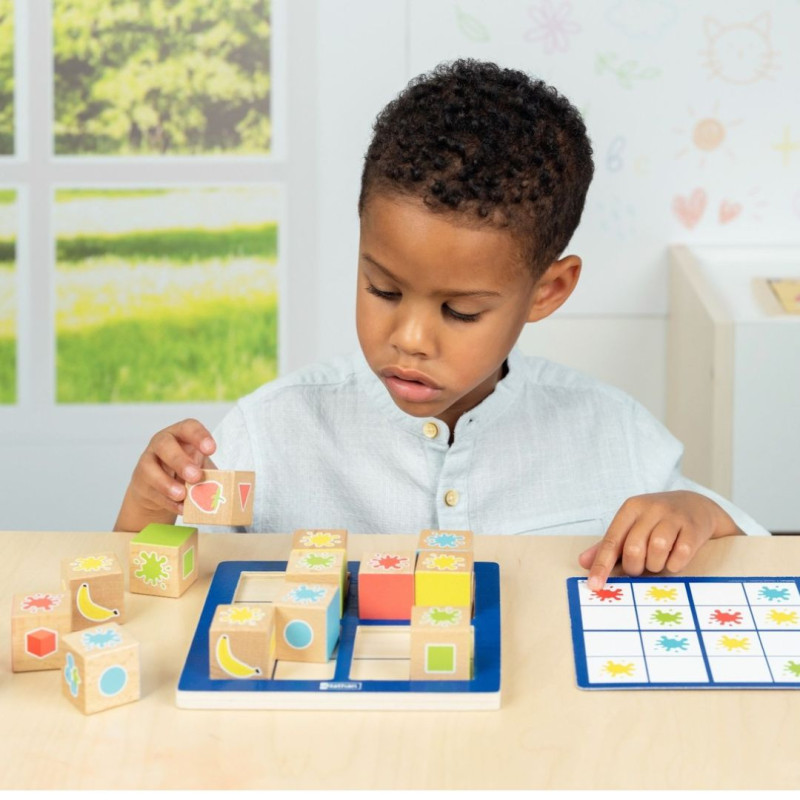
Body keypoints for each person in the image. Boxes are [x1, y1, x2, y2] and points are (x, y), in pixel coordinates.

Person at [114, 59, 768, 589]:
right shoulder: (274, 431)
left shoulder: (612, 434)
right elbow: (137, 587)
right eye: (383, 288)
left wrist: (695, 514)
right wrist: (149, 507)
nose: (410, 339)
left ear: (548, 290)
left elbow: (752, 551)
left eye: (460, 311)